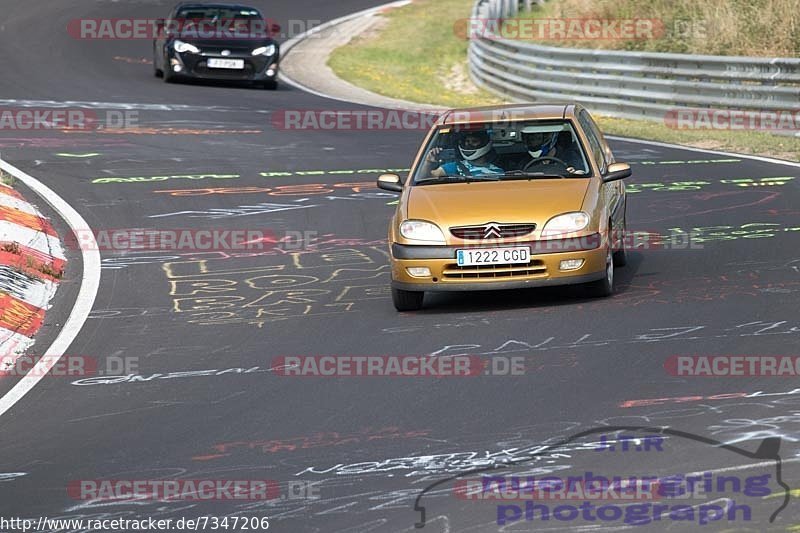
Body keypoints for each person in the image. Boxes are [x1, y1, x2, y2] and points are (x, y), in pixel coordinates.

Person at [422, 130, 504, 178]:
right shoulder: (454, 166)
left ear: (484, 144)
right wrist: (428, 162)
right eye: (467, 142)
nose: (469, 145)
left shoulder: (498, 171)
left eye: (474, 142)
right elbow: (426, 177)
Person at [519, 127, 585, 173]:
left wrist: (573, 172)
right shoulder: (524, 161)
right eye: (529, 140)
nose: (532, 143)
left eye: (537, 138)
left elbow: (582, 174)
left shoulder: (571, 157)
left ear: (548, 138)